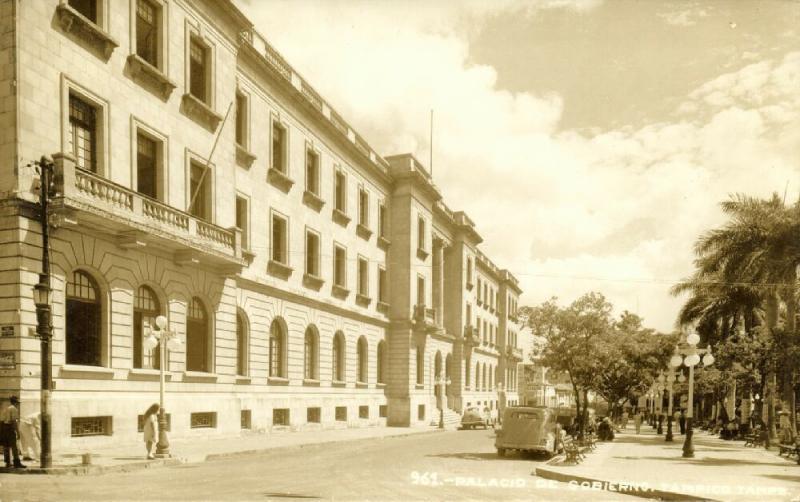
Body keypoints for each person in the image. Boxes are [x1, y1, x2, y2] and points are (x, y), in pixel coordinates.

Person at [1, 396, 25, 468]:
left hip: (4, 428)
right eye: (17, 403)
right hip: (10, 428)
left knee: (6, 446)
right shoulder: (14, 409)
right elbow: (14, 421)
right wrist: (17, 432)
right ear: (15, 402)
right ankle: (16, 462)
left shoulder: (7, 408)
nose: (18, 404)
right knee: (14, 446)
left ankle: (8, 462)